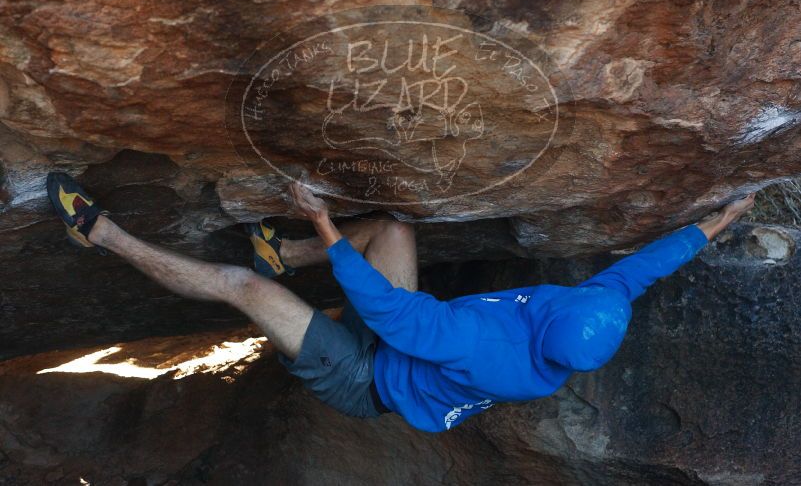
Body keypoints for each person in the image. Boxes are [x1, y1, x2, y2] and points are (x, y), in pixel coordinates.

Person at [46, 172, 755, 432]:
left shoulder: (488, 347)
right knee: (393, 228)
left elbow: (390, 314)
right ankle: (284, 251)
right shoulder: (590, 312)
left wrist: (321, 219)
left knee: (244, 289)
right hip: (406, 347)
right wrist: (718, 219)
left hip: (368, 377)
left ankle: (100, 234)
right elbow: (639, 271)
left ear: (545, 325)